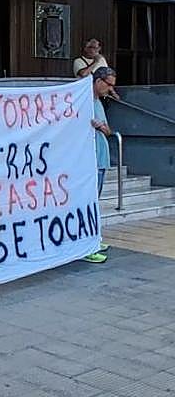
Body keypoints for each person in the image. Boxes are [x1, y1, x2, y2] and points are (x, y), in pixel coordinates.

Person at [83, 66, 116, 264]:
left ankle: (95, 238)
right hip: (89, 160)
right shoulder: (84, 101)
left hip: (101, 159)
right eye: (108, 84)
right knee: (89, 201)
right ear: (98, 81)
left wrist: (102, 127)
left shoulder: (99, 103)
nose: (110, 89)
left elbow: (109, 131)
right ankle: (87, 245)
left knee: (96, 202)